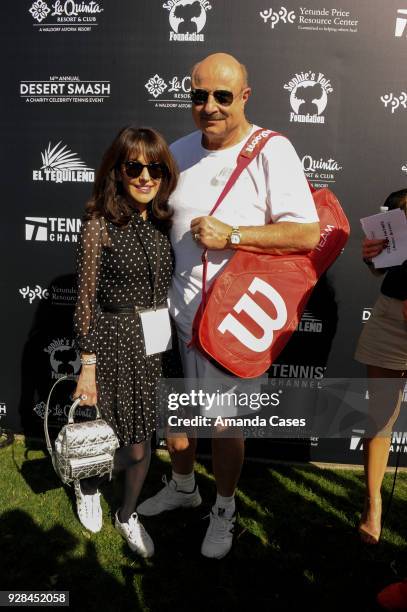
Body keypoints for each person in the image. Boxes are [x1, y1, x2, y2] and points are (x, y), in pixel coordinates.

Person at [137, 53, 320, 559]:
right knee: (175, 416)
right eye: (199, 95)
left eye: (222, 95)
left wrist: (234, 234)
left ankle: (224, 506)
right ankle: (181, 487)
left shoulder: (272, 150)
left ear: (244, 96)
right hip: (172, 315)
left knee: (224, 425)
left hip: (234, 321)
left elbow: (306, 232)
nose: (210, 106)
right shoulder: (176, 151)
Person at [72, 126, 178, 557]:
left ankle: (127, 513)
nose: (145, 176)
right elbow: (84, 301)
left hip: (154, 347)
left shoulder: (164, 222)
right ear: (117, 171)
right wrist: (89, 363)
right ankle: (89, 485)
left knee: (139, 448)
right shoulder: (99, 224)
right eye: (134, 166)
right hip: (112, 342)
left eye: (154, 167)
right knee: (102, 436)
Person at [354, 189, 407, 545]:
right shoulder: (400, 200)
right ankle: (373, 507)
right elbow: (381, 265)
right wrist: (371, 257)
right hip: (391, 317)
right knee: (380, 419)